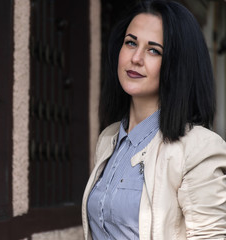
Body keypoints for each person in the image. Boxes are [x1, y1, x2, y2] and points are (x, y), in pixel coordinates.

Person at [82, 0, 226, 239]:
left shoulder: (199, 149)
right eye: (130, 43)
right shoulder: (109, 139)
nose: (136, 58)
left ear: (177, 64)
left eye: (153, 50)